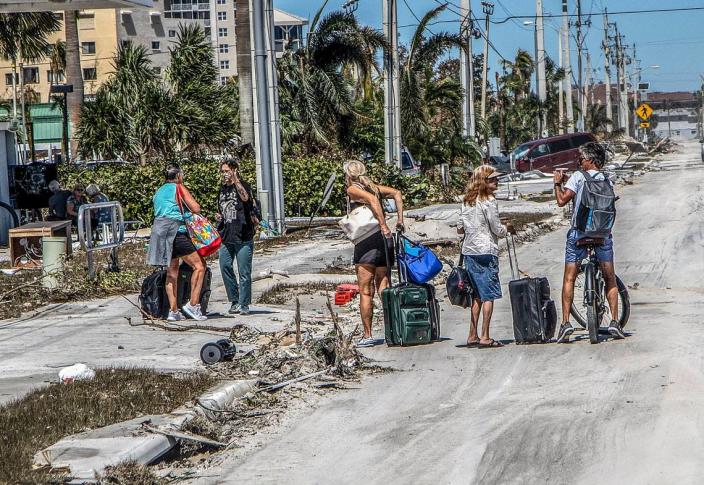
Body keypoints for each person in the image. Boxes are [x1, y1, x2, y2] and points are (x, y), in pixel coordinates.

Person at [553, 142, 624, 342]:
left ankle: (566, 323)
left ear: (590, 160)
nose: (579, 162)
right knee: (610, 278)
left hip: (579, 234)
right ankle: (615, 322)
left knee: (569, 278)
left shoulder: (577, 177)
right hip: (603, 235)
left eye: (581, 159)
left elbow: (561, 201)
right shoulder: (607, 178)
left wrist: (558, 183)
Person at [344, 160, 404, 348]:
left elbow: (372, 201)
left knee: (365, 291)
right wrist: (400, 220)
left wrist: (383, 223)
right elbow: (397, 193)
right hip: (384, 241)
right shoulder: (374, 187)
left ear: (348, 174)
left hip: (366, 242)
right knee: (384, 287)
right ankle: (392, 330)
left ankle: (368, 335)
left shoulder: (352, 190)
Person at [458, 165, 515, 349]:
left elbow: (460, 227)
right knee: (488, 294)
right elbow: (496, 228)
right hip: (486, 251)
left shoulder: (466, 201)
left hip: (469, 251)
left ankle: (472, 335)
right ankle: (485, 336)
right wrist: (508, 229)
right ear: (484, 181)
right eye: (492, 179)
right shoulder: (489, 200)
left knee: (476, 295)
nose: (496, 181)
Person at [146, 164, 208, 322]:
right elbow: (196, 208)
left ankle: (173, 311)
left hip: (159, 233)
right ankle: (193, 305)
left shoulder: (158, 191)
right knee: (199, 266)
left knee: (172, 273)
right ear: (178, 176)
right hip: (176, 231)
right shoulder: (179, 187)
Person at [216, 159, 258, 316]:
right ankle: (234, 300)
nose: (224, 174)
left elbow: (245, 198)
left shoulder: (243, 185)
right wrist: (220, 216)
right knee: (225, 266)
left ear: (234, 170)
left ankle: (244, 303)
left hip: (243, 235)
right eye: (223, 171)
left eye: (226, 171)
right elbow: (222, 207)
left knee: (244, 271)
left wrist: (236, 180)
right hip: (226, 235)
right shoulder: (222, 189)